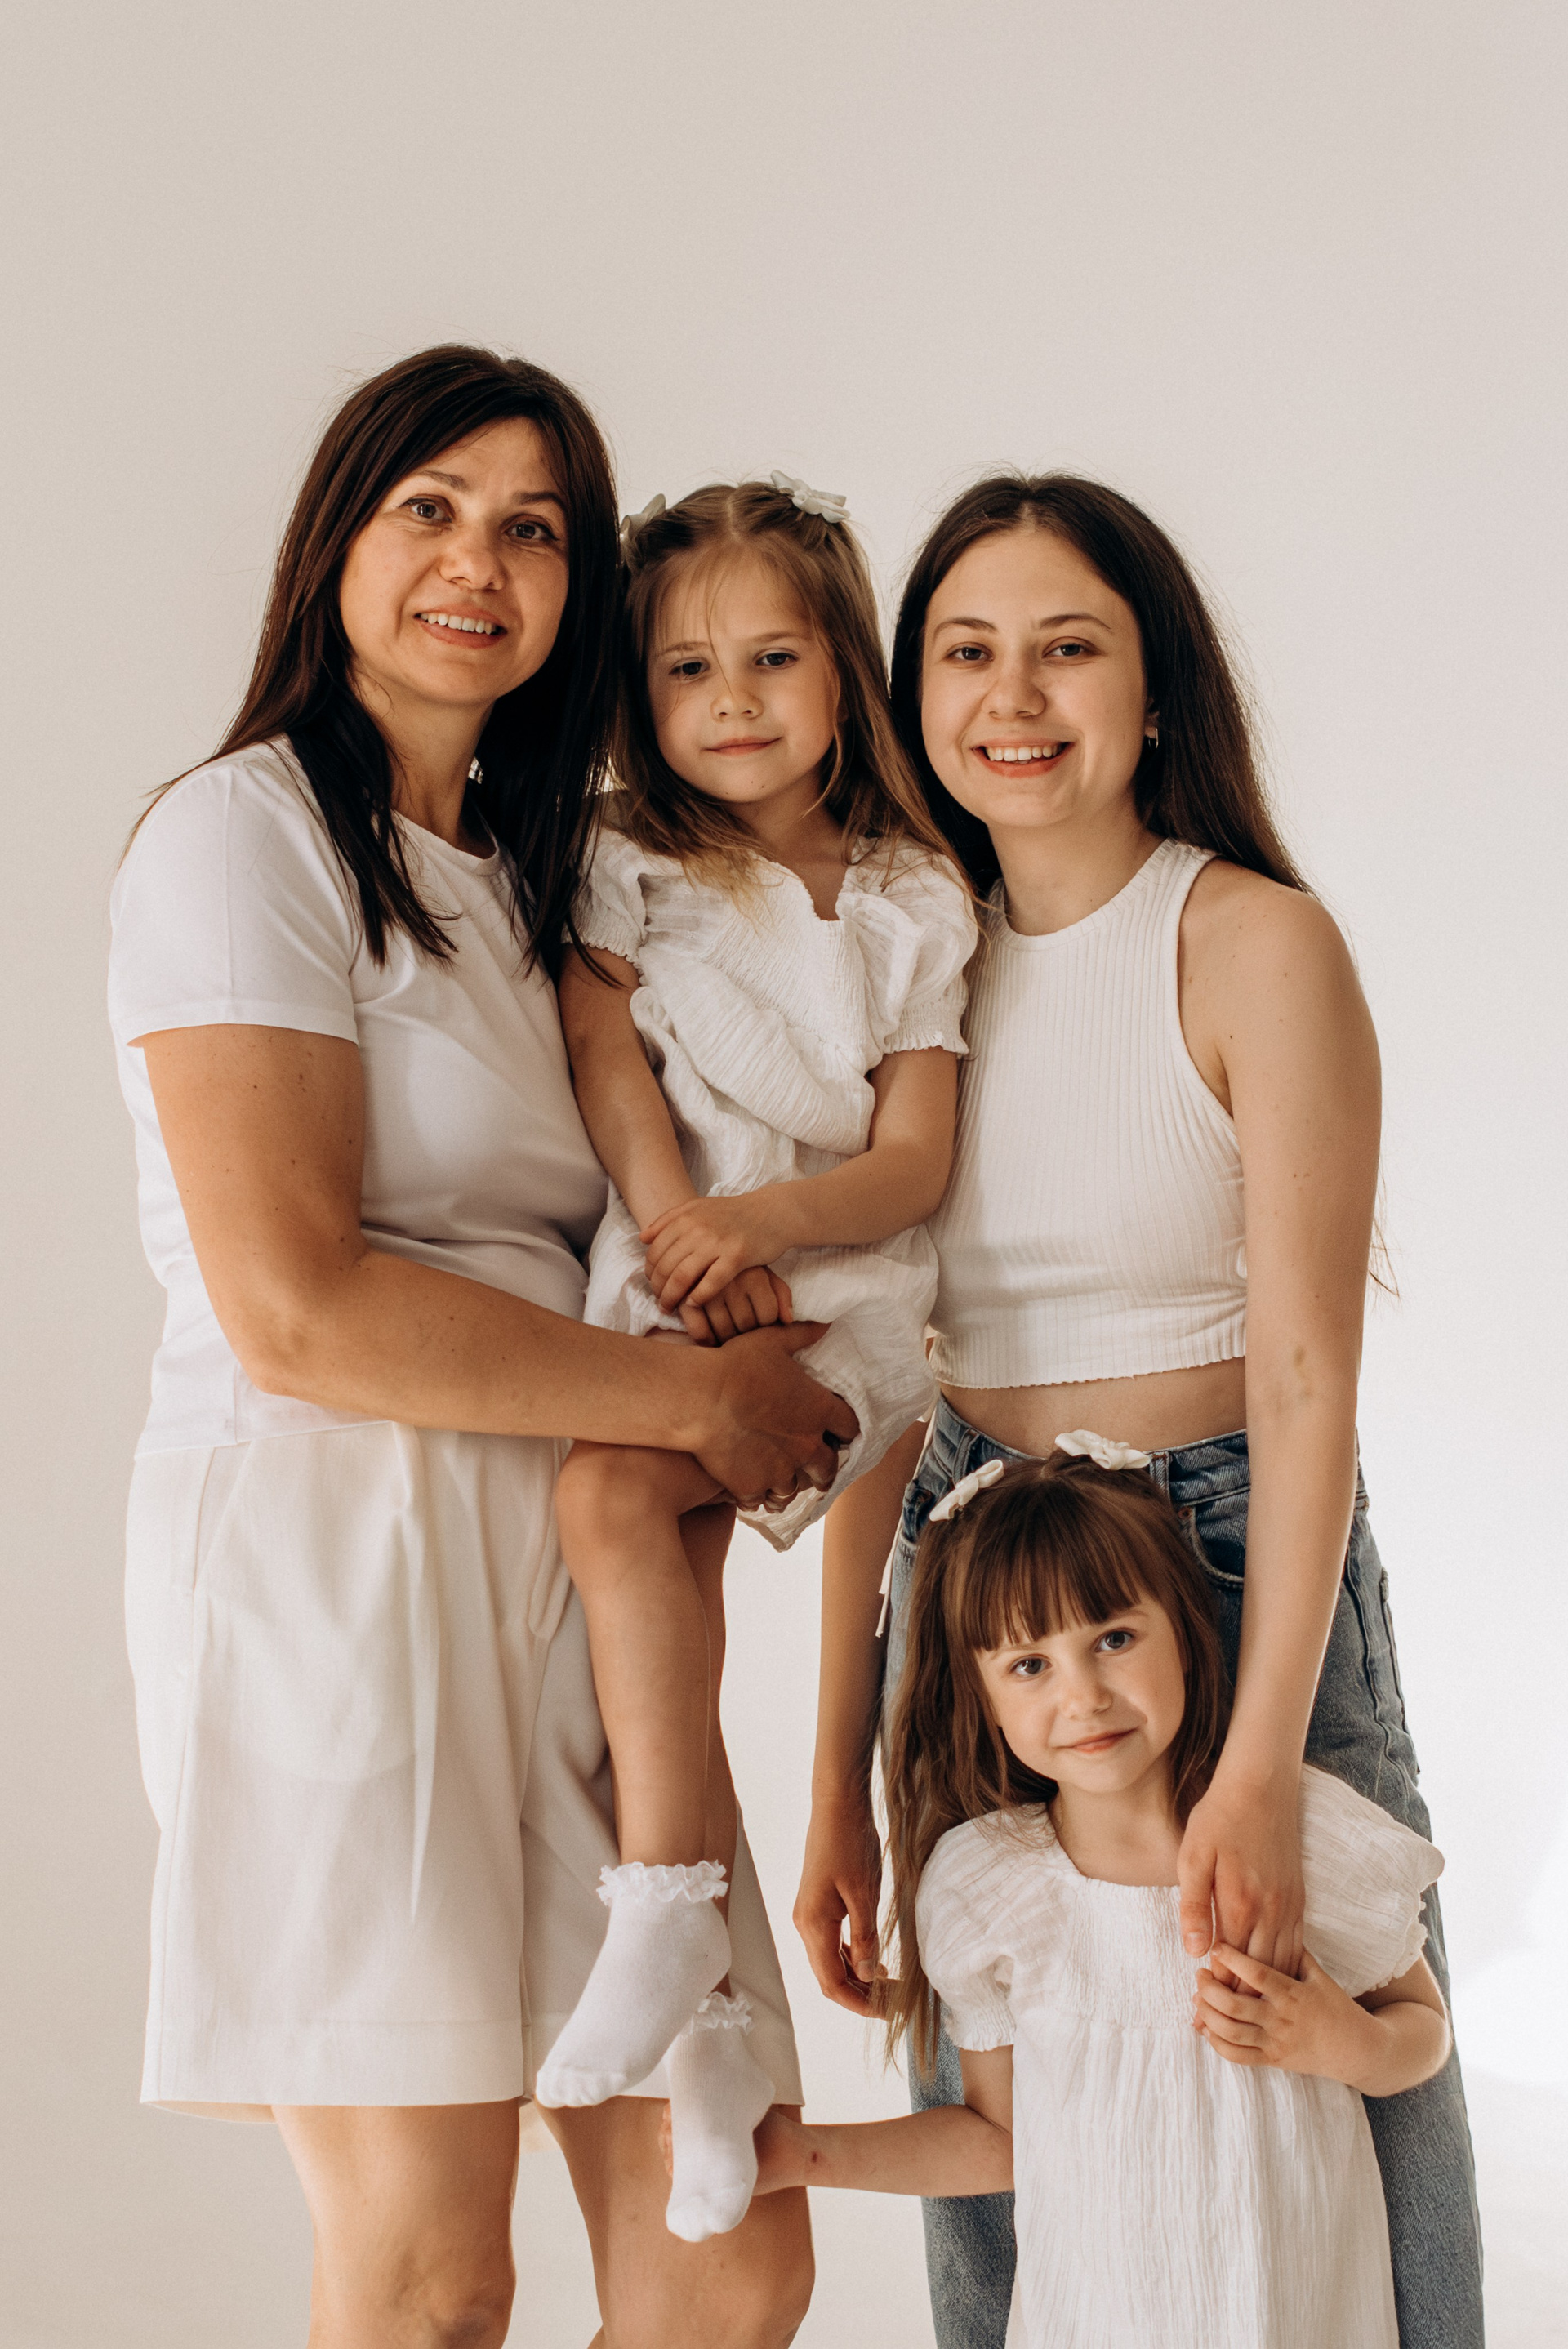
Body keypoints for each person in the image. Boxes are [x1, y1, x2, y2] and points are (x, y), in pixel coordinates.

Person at [109, 346, 855, 2349]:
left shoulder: (556, 876)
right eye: (430, 508)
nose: (479, 562)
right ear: (335, 539)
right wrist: (696, 1398)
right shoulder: (244, 834)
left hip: (570, 1556)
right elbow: (297, 1300)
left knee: (729, 2263)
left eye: (533, 528)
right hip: (337, 1559)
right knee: (434, 2276)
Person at [793, 473, 1483, 2347]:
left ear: (1155, 687)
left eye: (1067, 646)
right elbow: (881, 1389)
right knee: (1014, 2089)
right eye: (965, 652)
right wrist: (841, 1771)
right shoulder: (902, 966)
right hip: (974, 1562)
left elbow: (1308, 1370)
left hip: (1226, 1546)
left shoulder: (1251, 941)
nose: (1013, 696)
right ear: (911, 697)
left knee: (1337, 2036)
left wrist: (1254, 1760)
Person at [537, 477, 975, 2245]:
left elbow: (915, 1157)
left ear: (844, 666)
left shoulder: (917, 896)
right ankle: (711, 2026)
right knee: (639, 1540)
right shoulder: (626, 859)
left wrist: (767, 1233)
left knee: (615, 1503)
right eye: (686, 668)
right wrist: (678, 1232)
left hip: (840, 1297)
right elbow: (606, 1056)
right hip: (670, 1276)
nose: (730, 700)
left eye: (773, 658)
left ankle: (666, 1903)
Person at [756, 1446, 1450, 2348]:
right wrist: (801, 2156)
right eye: (1029, 1665)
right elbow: (998, 2137)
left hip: (1297, 2316)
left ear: (1186, 1634)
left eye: (1114, 1639)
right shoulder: (988, 1887)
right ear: (983, 1696)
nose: (1083, 1695)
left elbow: (1422, 2030)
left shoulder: (1296, 1841)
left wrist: (1341, 2040)